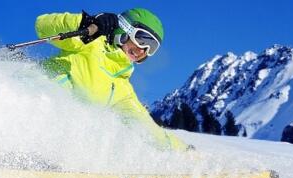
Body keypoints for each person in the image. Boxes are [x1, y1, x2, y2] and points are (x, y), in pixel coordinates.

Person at [35, 8, 189, 151]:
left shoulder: (122, 90)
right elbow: (42, 26)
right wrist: (86, 23)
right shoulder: (90, 42)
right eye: (142, 39)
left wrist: (184, 151)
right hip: (30, 96)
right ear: (125, 29)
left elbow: (147, 128)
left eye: (151, 47)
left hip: (51, 134)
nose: (143, 50)